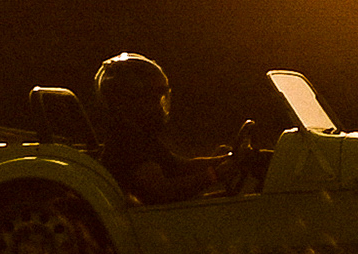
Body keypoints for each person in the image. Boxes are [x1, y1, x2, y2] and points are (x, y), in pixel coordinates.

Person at [90, 52, 255, 203]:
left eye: (160, 98)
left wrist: (226, 159)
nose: (159, 107)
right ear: (130, 102)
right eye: (152, 99)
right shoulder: (127, 144)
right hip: (155, 226)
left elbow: (178, 166)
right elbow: (162, 193)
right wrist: (214, 175)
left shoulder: (137, 137)